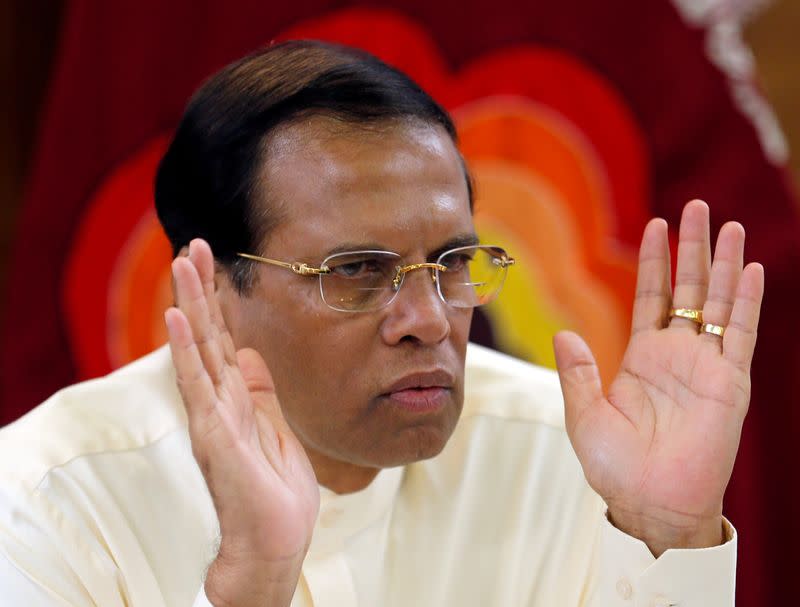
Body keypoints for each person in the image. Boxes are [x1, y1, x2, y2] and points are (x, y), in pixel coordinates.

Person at [0, 41, 763, 607]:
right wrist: (252, 583)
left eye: (454, 261)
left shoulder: (574, 457)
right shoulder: (44, 498)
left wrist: (668, 531)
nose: (430, 321)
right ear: (212, 290)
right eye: (357, 271)